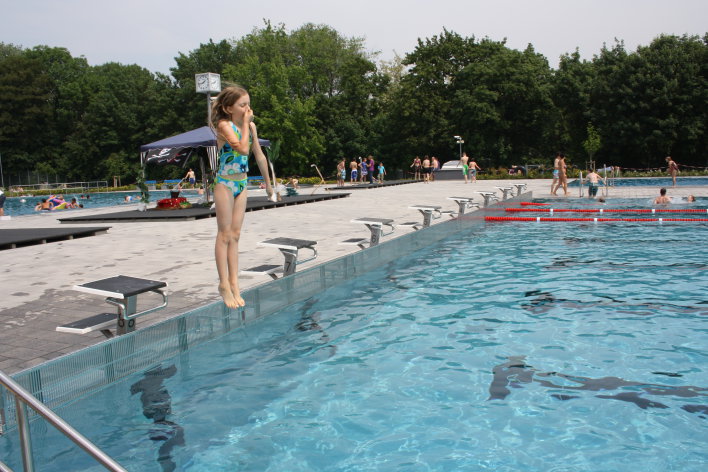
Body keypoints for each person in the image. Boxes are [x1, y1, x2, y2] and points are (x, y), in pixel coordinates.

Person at [211, 85, 274, 309]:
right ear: (229, 108)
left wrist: (268, 184)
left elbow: (258, 155)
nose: (248, 108)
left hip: (242, 182)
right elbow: (242, 149)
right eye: (243, 105)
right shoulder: (224, 125)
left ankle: (235, 283)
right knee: (224, 234)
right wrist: (246, 124)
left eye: (248, 103)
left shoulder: (251, 126)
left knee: (236, 235)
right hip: (225, 184)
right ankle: (223, 284)